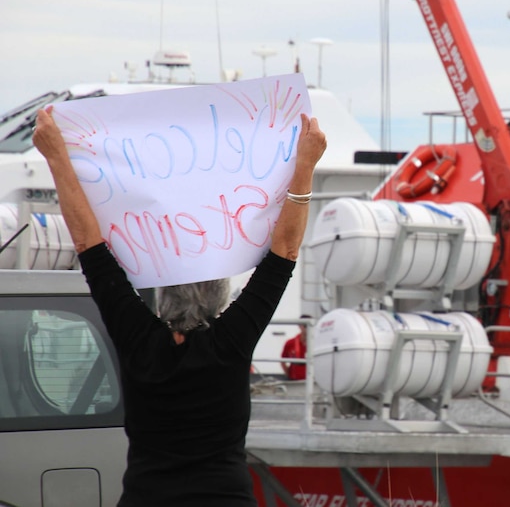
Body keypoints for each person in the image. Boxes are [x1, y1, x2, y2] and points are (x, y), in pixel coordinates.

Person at [33, 106, 327, 507]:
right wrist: (304, 165)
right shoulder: (231, 343)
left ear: (161, 292)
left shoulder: (138, 339)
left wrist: (57, 157)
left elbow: (88, 244)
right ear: (221, 295)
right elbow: (285, 251)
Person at [281, 314, 312, 379]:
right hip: (294, 380)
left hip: (312, 380)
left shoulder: (316, 343)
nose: (308, 328)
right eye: (306, 325)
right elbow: (282, 361)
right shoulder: (290, 343)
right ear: (300, 326)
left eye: (311, 326)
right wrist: (289, 375)